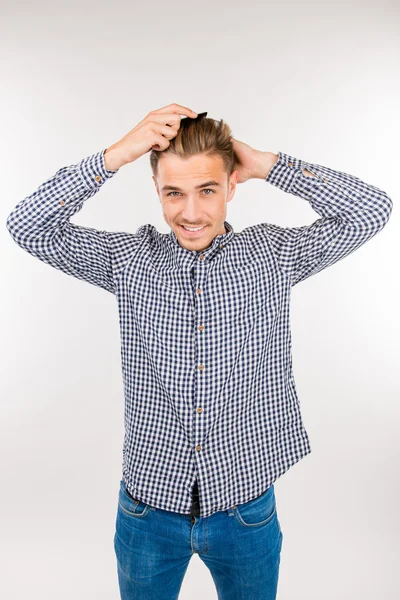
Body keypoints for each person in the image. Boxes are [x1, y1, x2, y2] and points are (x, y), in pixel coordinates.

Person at [6, 103, 393, 600]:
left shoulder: (273, 257)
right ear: (157, 193)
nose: (190, 213)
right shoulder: (129, 261)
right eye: (174, 193)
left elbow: (372, 209)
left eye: (207, 190)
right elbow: (28, 225)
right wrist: (117, 155)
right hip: (147, 510)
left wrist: (266, 163)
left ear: (232, 186)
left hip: (245, 507)